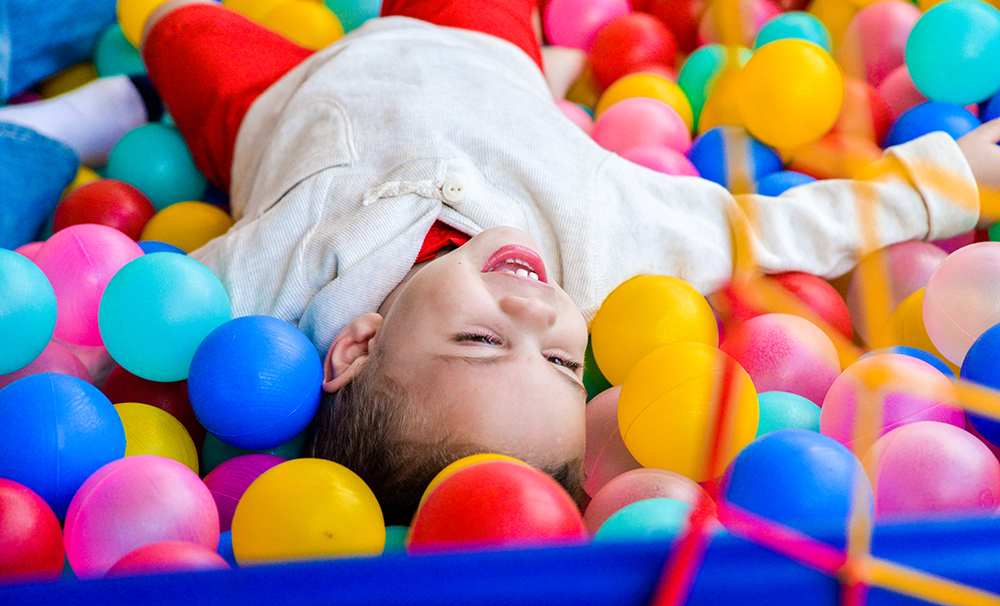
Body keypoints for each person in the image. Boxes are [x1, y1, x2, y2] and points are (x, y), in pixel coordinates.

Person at [9, 0, 1000, 525]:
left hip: (274, 99)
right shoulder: (612, 259)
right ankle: (562, 67)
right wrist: (947, 176)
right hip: (478, 49)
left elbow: (115, 332)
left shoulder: (270, 290)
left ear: (354, 343)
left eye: (483, 337)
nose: (539, 313)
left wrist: (60, 358)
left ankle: (116, 101)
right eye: (567, 362)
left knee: (177, 26)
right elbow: (778, 229)